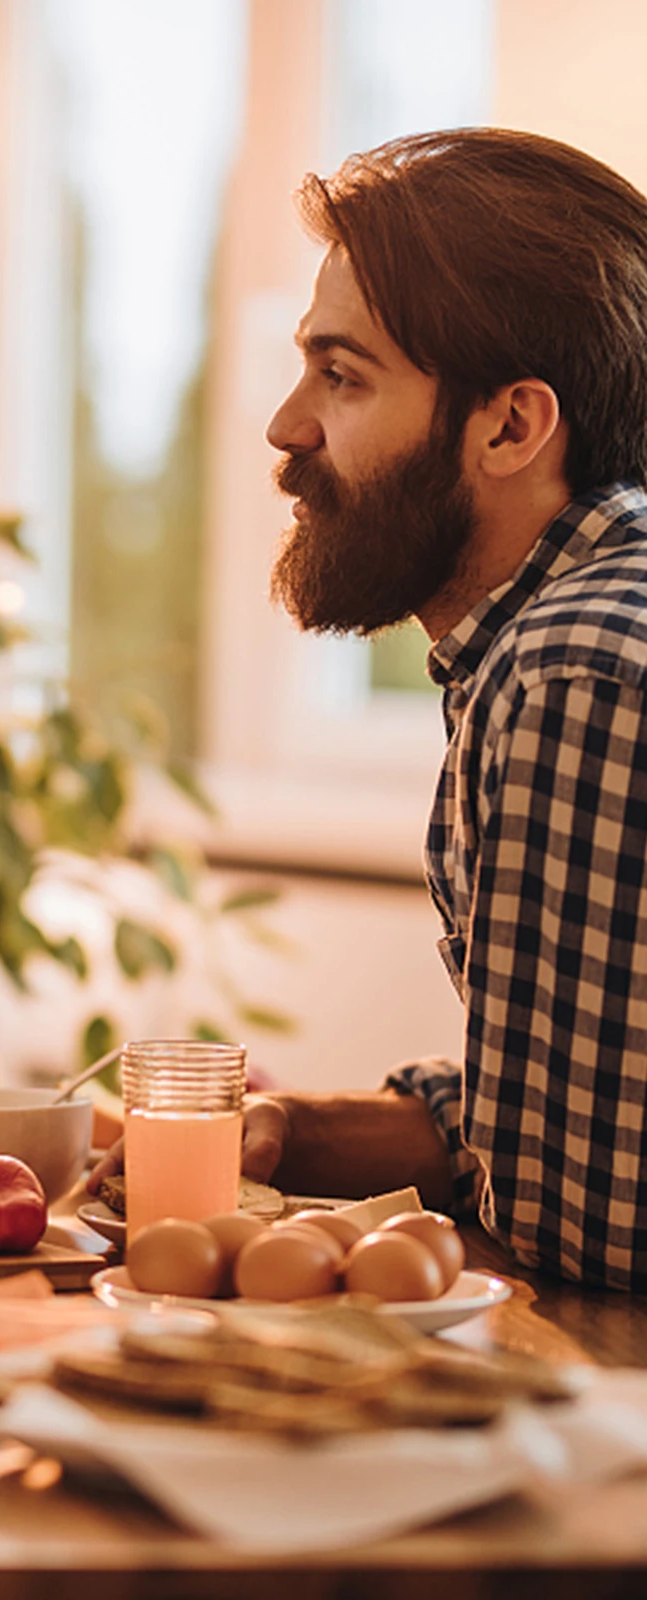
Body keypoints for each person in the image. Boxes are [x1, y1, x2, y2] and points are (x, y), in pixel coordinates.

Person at [98, 128, 647, 1293]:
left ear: (509, 426)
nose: (285, 425)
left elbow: (585, 1231)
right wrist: (297, 1129)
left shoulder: (572, 673)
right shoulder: (567, 631)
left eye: (341, 376)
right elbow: (573, 1123)